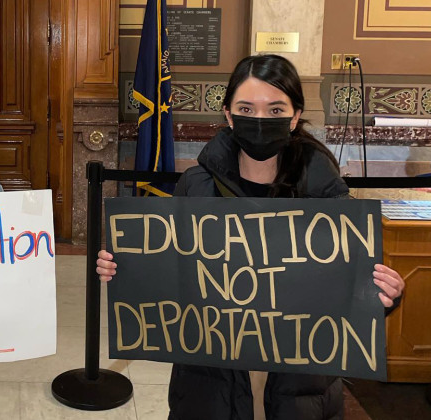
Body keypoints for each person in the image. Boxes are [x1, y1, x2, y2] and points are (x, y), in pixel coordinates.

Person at [97, 54, 405, 420]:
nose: (260, 120)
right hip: (209, 387)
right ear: (228, 114)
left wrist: (382, 295)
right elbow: (174, 275)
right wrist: (128, 270)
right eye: (246, 108)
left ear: (294, 117)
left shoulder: (326, 194)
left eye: (275, 111)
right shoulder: (195, 186)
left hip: (299, 390)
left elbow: (347, 291)